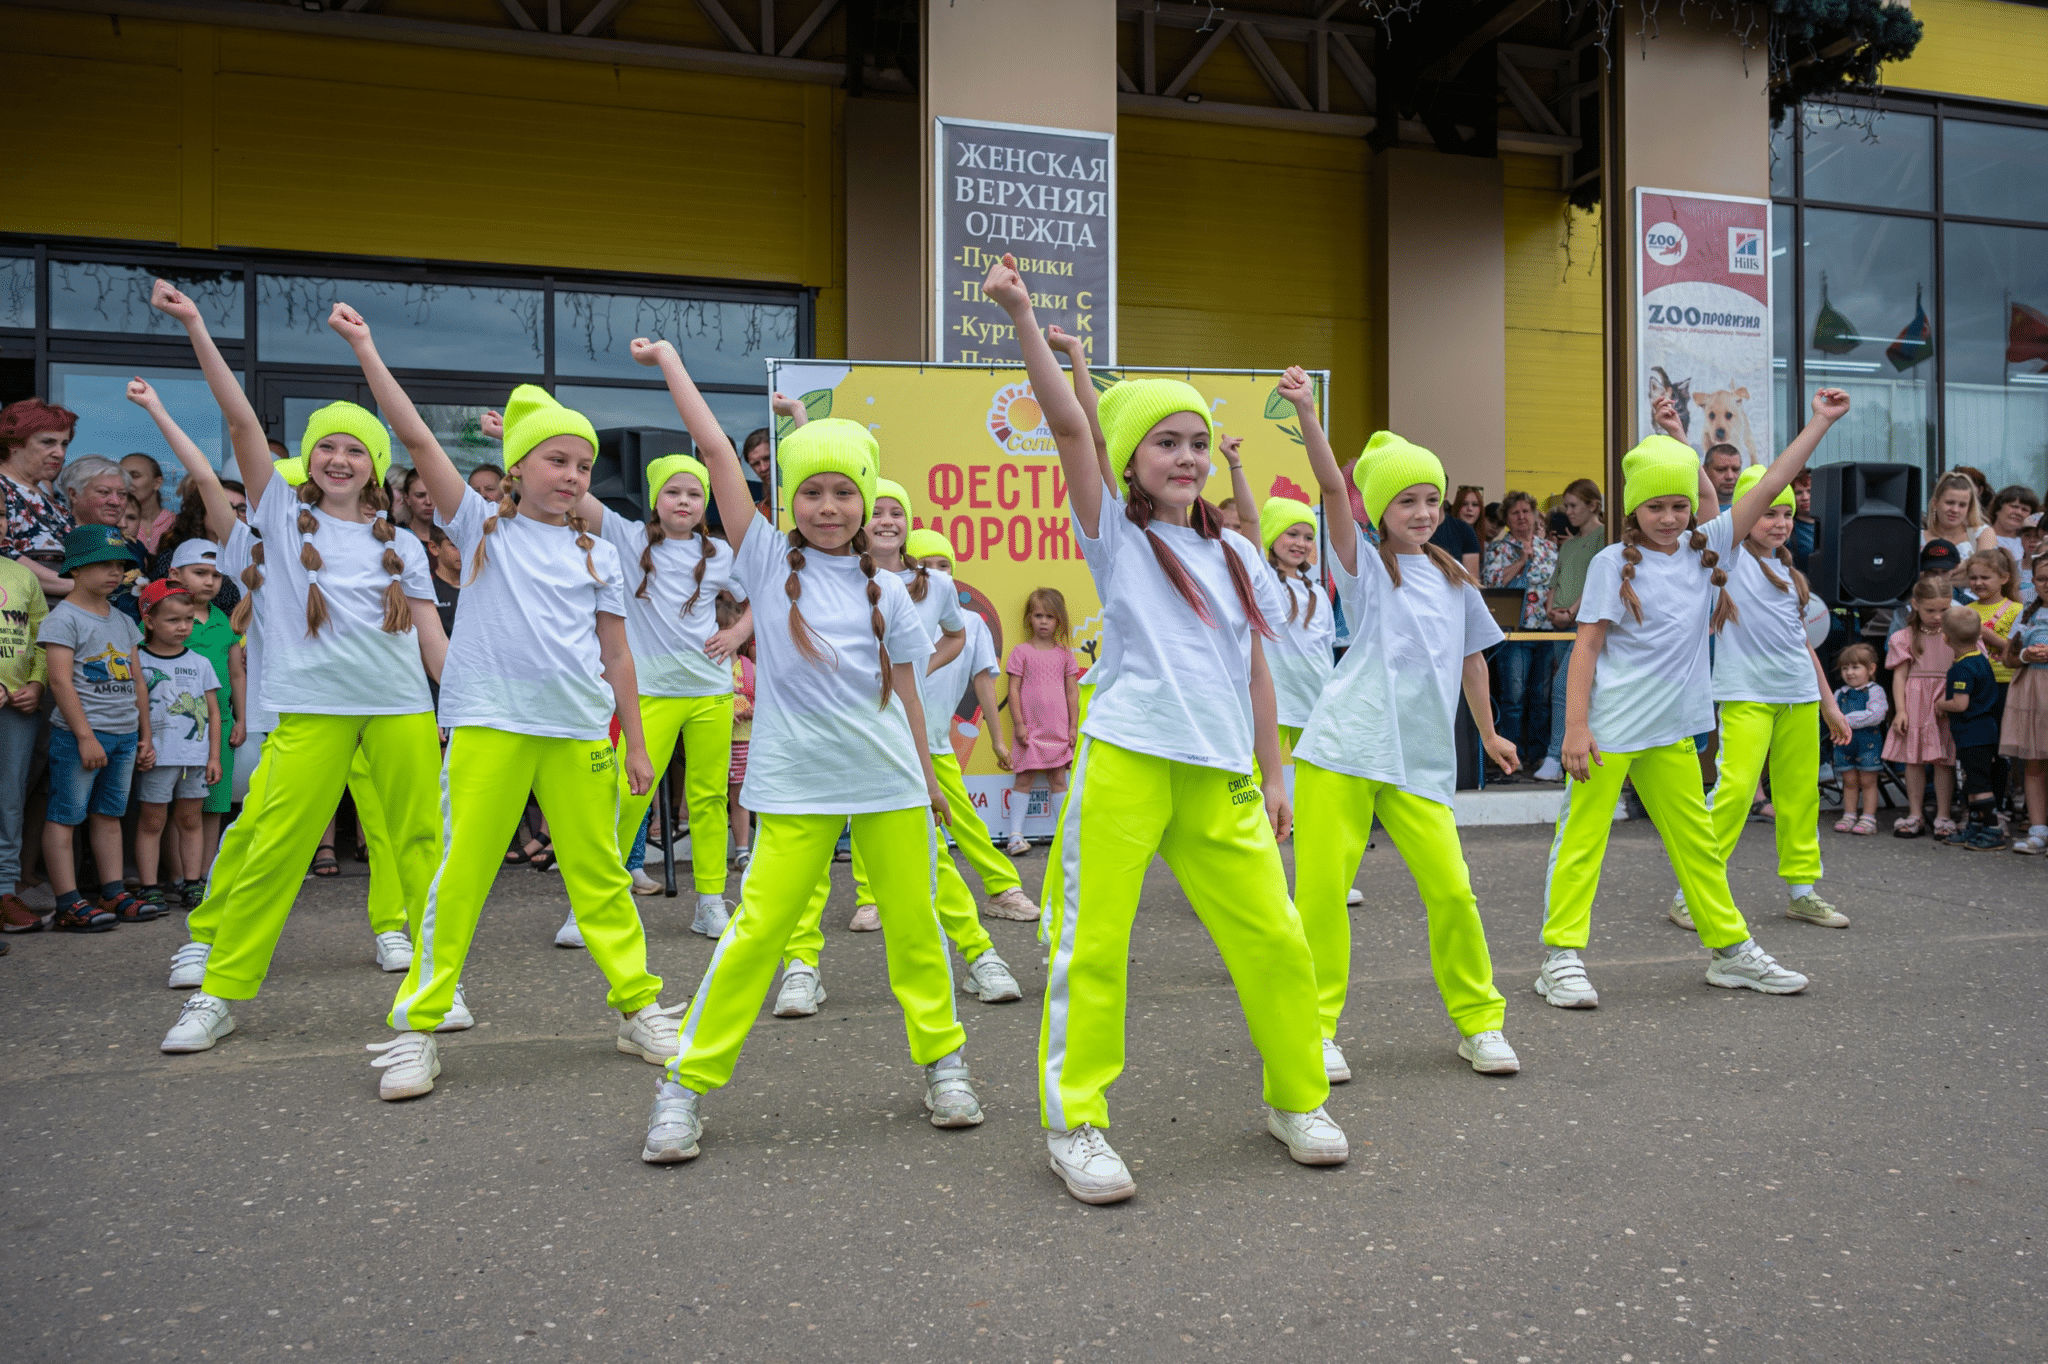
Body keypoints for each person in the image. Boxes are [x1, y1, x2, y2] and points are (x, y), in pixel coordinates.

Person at [983, 254, 1343, 1203]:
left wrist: (1275, 773)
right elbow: (1068, 423)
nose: (1185, 456)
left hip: (1221, 770)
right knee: (1093, 945)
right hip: (1130, 760)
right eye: (1164, 443)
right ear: (1132, 458)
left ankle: (1298, 1098)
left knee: (1276, 937)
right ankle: (1078, 1123)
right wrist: (1024, 314)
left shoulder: (1234, 549)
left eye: (1196, 441)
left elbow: (1256, 667)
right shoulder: (1117, 534)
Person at [634, 335, 983, 1166]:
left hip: (890, 784)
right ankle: (683, 1086)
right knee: (756, 936)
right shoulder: (759, 554)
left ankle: (945, 1063)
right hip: (796, 788)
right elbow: (717, 450)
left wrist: (932, 781)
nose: (829, 506)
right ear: (790, 500)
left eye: (844, 493)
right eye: (813, 492)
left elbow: (908, 694)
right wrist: (675, 364)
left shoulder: (892, 589)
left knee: (914, 928)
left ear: (866, 502)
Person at [336, 307, 684, 1101]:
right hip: (492, 723)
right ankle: (420, 1027)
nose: (570, 476)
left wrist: (634, 743)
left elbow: (618, 654)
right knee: (460, 875)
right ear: (516, 468)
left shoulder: (598, 551)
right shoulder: (479, 524)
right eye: (555, 460)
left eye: (582, 467)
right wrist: (366, 346)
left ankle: (637, 1009)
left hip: (576, 731)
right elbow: (418, 439)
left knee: (599, 877)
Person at [147, 282, 451, 1061]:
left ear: (375, 467)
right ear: (307, 459)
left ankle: (432, 979)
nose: (340, 457)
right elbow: (242, 420)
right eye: (328, 445)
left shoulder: (406, 546)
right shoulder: (278, 518)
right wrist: (195, 326)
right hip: (311, 710)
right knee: (275, 845)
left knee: (419, 840)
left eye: (356, 448)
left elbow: (430, 642)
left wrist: (464, 706)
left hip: (401, 712)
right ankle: (221, 989)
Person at [1538, 387, 1849, 1009]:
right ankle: (1560, 957)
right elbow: (1586, 652)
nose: (1671, 517)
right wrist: (1576, 729)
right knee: (1581, 843)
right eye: (1656, 506)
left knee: (1698, 846)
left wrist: (1820, 421)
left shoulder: (1708, 548)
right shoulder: (1607, 565)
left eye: (1680, 505)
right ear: (1635, 510)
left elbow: (1772, 481)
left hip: (1674, 733)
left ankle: (1730, 951)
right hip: (1610, 734)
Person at [1283, 374, 1524, 1082]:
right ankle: (1316, 1029)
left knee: (1452, 889)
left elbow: (1474, 661)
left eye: (1432, 499)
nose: (1422, 512)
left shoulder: (1456, 577)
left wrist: (1487, 732)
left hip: (1419, 759)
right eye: (1406, 500)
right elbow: (1331, 489)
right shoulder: (1364, 568)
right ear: (1378, 509)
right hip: (1344, 748)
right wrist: (1306, 413)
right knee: (1322, 897)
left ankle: (1480, 1023)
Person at [577, 446, 750, 943]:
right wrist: (521, 438)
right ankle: (591, 904)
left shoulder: (720, 554)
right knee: (625, 798)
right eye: (673, 492)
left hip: (711, 694)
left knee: (709, 798)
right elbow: (579, 493)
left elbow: (766, 592)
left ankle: (711, 904)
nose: (684, 501)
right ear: (655, 500)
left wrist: (737, 636)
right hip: (647, 694)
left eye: (695, 493)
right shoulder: (626, 537)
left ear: (705, 504)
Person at [1675, 464, 1854, 933]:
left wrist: (1830, 704)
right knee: (1733, 793)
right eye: (1768, 512)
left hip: (1799, 697)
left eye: (1786, 514)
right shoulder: (1730, 559)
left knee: (1800, 796)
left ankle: (1802, 891)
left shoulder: (1788, 572)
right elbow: (1710, 501)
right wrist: (1678, 437)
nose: (1778, 522)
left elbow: (1803, 648)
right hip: (1747, 696)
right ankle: (1689, 892)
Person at [895, 527, 1036, 913]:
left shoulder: (970, 625)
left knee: (960, 818)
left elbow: (985, 683)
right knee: (874, 815)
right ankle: (870, 899)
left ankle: (1002, 888)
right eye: (927, 565)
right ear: (910, 568)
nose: (937, 573)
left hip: (936, 742)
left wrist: (997, 741)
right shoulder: (890, 611)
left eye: (945, 565)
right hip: (888, 737)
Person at [39, 524, 152, 932]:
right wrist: (85, 735)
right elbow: (60, 682)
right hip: (80, 736)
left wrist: (145, 735)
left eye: (119, 566)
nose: (113, 572)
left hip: (123, 735)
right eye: (102, 564)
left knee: (109, 814)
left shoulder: (123, 620)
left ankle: (112, 890)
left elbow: (138, 681)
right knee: (66, 815)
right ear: (75, 568)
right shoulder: (64, 617)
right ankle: (68, 901)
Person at [1220, 446, 1335, 754]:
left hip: (1315, 703)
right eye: (1291, 534)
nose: (1300, 543)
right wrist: (1235, 464)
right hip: (1271, 703)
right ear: (1273, 536)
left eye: (1308, 537)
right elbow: (1249, 519)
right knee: (1257, 781)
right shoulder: (1263, 577)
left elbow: (1325, 653)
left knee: (1315, 786)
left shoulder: (1319, 593)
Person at [132, 578, 222, 915]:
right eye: (173, 620)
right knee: (152, 822)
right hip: (158, 757)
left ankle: (192, 882)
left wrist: (214, 757)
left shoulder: (200, 662)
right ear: (149, 621)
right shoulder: (138, 660)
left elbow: (212, 711)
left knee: (190, 820)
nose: (183, 627)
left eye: (187, 619)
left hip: (196, 758)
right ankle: (149, 886)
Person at [166, 538, 243, 888]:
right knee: (178, 805)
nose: (210, 582)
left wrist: (241, 718)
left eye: (216, 575)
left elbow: (237, 672)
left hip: (219, 725)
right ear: (174, 573)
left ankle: (206, 876)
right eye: (200, 573)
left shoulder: (223, 622)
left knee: (214, 804)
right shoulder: (163, 619)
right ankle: (178, 875)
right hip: (174, 726)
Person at [1534, 477, 1606, 783]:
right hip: (1561, 625)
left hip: (1584, 626)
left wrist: (1573, 612)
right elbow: (1556, 580)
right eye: (1566, 506)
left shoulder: (1605, 538)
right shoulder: (1570, 543)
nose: (1569, 512)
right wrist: (1553, 610)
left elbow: (1596, 583)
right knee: (1561, 690)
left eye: (1574, 505)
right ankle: (1566, 755)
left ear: (1593, 506)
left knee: (1565, 689)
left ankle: (1554, 757)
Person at [1482, 490, 1559, 768]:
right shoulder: (1498, 549)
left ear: (1535, 514)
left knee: (1542, 698)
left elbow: (1556, 584)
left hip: (1547, 631)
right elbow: (1492, 583)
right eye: (1515, 513)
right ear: (1507, 519)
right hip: (1514, 633)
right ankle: (1510, 759)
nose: (1522, 517)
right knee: (1513, 698)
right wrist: (1521, 561)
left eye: (1526, 511)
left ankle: (1538, 756)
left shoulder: (1549, 549)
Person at [1003, 587, 1081, 856]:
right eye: (1038, 615)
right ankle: (1015, 835)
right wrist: (1019, 724)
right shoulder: (1021, 652)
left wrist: (1073, 726)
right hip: (1030, 731)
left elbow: (1073, 691)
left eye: (1050, 616)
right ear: (1029, 618)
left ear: (1059, 620)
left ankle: (1065, 834)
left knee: (1058, 778)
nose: (1044, 621)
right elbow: (1013, 690)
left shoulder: (1065, 655)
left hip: (1058, 729)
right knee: (1023, 778)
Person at [1886, 573, 1962, 838]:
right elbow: (1899, 676)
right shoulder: (1904, 637)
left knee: (1943, 760)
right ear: (1916, 605)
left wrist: (1952, 700)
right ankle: (1915, 813)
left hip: (1945, 701)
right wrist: (1901, 710)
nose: (1938, 616)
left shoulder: (1956, 635)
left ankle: (1943, 814)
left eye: (1944, 609)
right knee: (1914, 760)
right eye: (1931, 610)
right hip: (1916, 701)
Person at [0, 547, 47, 934]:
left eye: (0, 514)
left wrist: (37, 682)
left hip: (17, 708)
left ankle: (3, 892)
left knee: (10, 801)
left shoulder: (22, 576)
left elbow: (40, 636)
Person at [1937, 607, 2004, 849]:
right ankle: (1975, 825)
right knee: (1972, 782)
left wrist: (1940, 704)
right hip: (1984, 730)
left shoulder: (1961, 669)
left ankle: (1993, 829)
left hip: (1973, 734)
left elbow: (1960, 703)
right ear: (1979, 636)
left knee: (1978, 783)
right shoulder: (1981, 660)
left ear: (1945, 638)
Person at [0, 398, 79, 600]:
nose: (60, 453)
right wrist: (75, 587)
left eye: (65, 444)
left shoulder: (50, 496)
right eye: (47, 442)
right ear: (14, 443)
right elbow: (4, 555)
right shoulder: (2, 486)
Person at [1964, 547, 2023, 811]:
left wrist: (1990, 638)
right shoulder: (1966, 610)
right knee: (1977, 749)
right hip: (1975, 685)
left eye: (1985, 577)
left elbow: (2017, 651)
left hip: (2003, 683)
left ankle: (1999, 804)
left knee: (2000, 749)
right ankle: (1976, 804)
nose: (1978, 583)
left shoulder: (2016, 610)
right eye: (1973, 578)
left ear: (2004, 578)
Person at [2000, 551, 2048, 855]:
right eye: (2042, 579)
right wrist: (2024, 656)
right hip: (2031, 692)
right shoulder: (2026, 614)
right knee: (2033, 763)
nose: (2047, 584)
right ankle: (2037, 828)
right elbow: (2008, 658)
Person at [149, 475, 246, 617]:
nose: (235, 514)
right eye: (225, 506)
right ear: (201, 511)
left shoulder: (256, 558)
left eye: (242, 508)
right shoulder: (174, 558)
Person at [1830, 643, 1888, 836]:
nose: (1849, 672)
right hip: (1844, 744)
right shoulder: (1839, 693)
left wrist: (1844, 721)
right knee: (1849, 781)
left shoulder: (1875, 691)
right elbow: (1830, 715)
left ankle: (1869, 817)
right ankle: (1849, 814)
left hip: (1867, 743)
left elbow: (1876, 714)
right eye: (1845, 668)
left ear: (1870, 669)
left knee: (1868, 780)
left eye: (1855, 667)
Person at [1923, 470, 1996, 567]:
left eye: (1962, 505)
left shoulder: (1983, 533)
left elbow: (1984, 570)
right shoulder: (1918, 538)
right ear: (1935, 503)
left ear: (1969, 508)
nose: (1955, 510)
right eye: (1950, 502)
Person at [1989, 488, 2040, 606]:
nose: (2019, 512)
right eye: (2014, 506)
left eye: (2025, 509)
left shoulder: (2030, 543)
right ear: (1998, 508)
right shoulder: (1978, 535)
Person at [122, 453, 176, 554]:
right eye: (122, 476)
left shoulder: (178, 524)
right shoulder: (113, 524)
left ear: (157, 483)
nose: (126, 482)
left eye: (134, 476)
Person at [1431, 485, 1483, 576]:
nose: (1469, 509)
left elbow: (1472, 581)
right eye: (1464, 504)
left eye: (1475, 504)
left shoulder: (1468, 531)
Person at [1790, 470, 1817, 572]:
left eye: (1809, 491)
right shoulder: (1788, 529)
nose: (1805, 498)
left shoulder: (1830, 524)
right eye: (1798, 493)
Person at [1704, 444, 1743, 512]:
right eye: (1721, 469)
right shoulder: (1688, 511)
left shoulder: (1752, 510)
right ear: (1705, 471)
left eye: (1735, 469)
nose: (1729, 476)